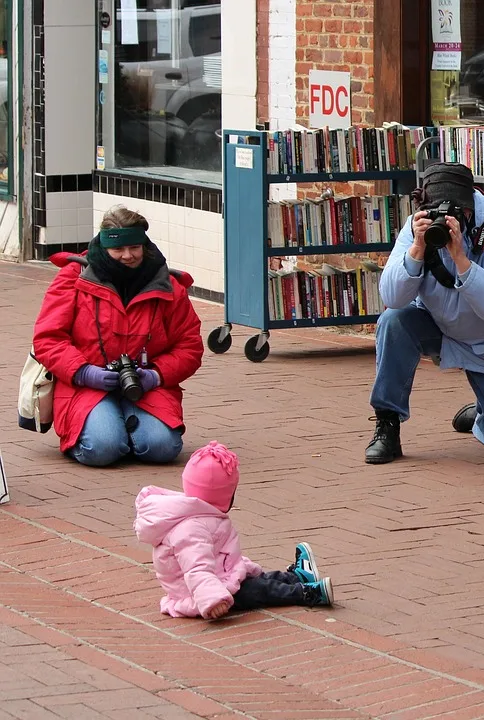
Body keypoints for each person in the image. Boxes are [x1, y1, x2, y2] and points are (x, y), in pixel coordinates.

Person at [365, 162, 484, 464]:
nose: (445, 221)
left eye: (455, 212)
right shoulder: (416, 228)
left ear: (469, 209)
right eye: (436, 212)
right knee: (394, 322)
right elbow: (392, 297)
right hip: (442, 331)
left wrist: (460, 258)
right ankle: (387, 424)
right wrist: (417, 250)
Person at [31, 205, 203, 466]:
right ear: (103, 246)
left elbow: (189, 346)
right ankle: (108, 431)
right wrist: (84, 372)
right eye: (118, 249)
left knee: (163, 449)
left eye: (135, 247)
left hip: (144, 386)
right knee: (102, 449)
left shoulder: (168, 285)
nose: (128, 256)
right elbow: (48, 338)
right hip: (85, 385)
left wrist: (155, 375)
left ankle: (123, 427)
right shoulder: (73, 277)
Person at [134, 441, 333, 619]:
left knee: (257, 578)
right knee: (259, 589)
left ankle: (298, 576)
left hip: (218, 577)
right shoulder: (190, 528)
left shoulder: (200, 515)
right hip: (200, 593)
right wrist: (213, 600)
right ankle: (306, 594)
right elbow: (196, 569)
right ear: (225, 496)